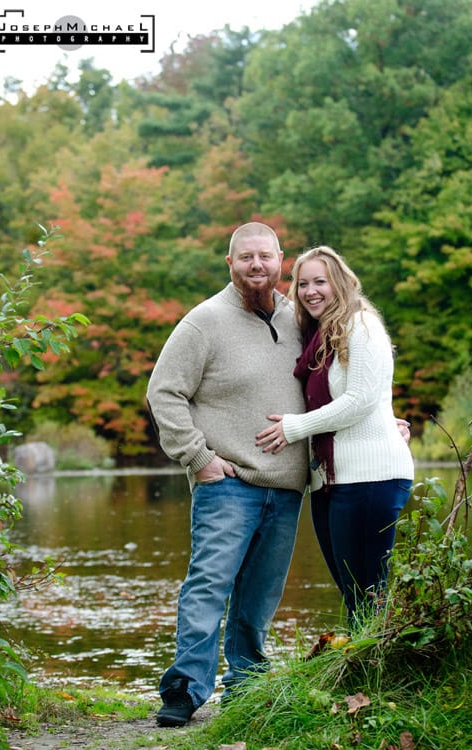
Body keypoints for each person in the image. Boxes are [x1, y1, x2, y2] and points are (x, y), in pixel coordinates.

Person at [145, 221, 310, 727]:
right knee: (209, 584)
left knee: (259, 596)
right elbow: (163, 393)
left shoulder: (301, 318)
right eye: (245, 257)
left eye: (265, 256)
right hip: (228, 483)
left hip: (285, 488)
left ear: (281, 259)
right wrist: (198, 458)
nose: (256, 265)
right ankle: (184, 690)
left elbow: (338, 382)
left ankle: (246, 689)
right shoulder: (204, 323)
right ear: (230, 264)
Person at [254, 245, 413, 622]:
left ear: (340, 283)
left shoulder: (362, 326)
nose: (310, 291)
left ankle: (377, 675)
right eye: (303, 283)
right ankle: (365, 671)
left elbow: (359, 400)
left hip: (371, 478)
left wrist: (293, 428)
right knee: (352, 590)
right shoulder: (320, 337)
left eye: (320, 281)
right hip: (331, 481)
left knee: (367, 592)